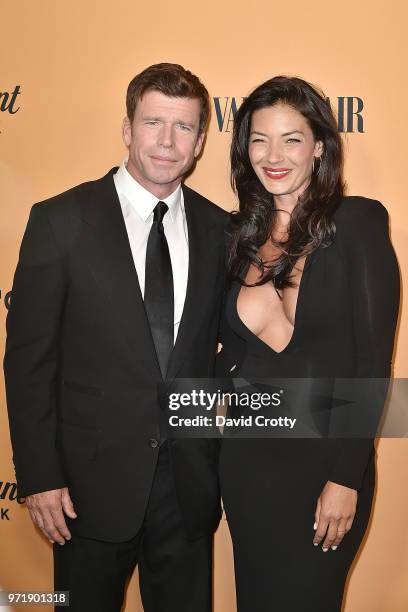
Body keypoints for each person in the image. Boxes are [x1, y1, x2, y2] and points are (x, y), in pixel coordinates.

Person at [4, 63, 228, 612]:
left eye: (183, 128)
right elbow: (29, 361)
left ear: (201, 141)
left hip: (188, 489)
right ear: (127, 127)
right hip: (85, 489)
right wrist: (39, 475)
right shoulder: (60, 220)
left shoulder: (222, 229)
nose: (167, 143)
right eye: (154, 123)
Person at [216, 76, 400, 611]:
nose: (273, 156)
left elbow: (372, 363)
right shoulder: (235, 238)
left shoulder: (358, 223)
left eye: (291, 139)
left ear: (319, 146)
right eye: (259, 139)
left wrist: (346, 477)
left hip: (328, 466)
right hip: (249, 469)